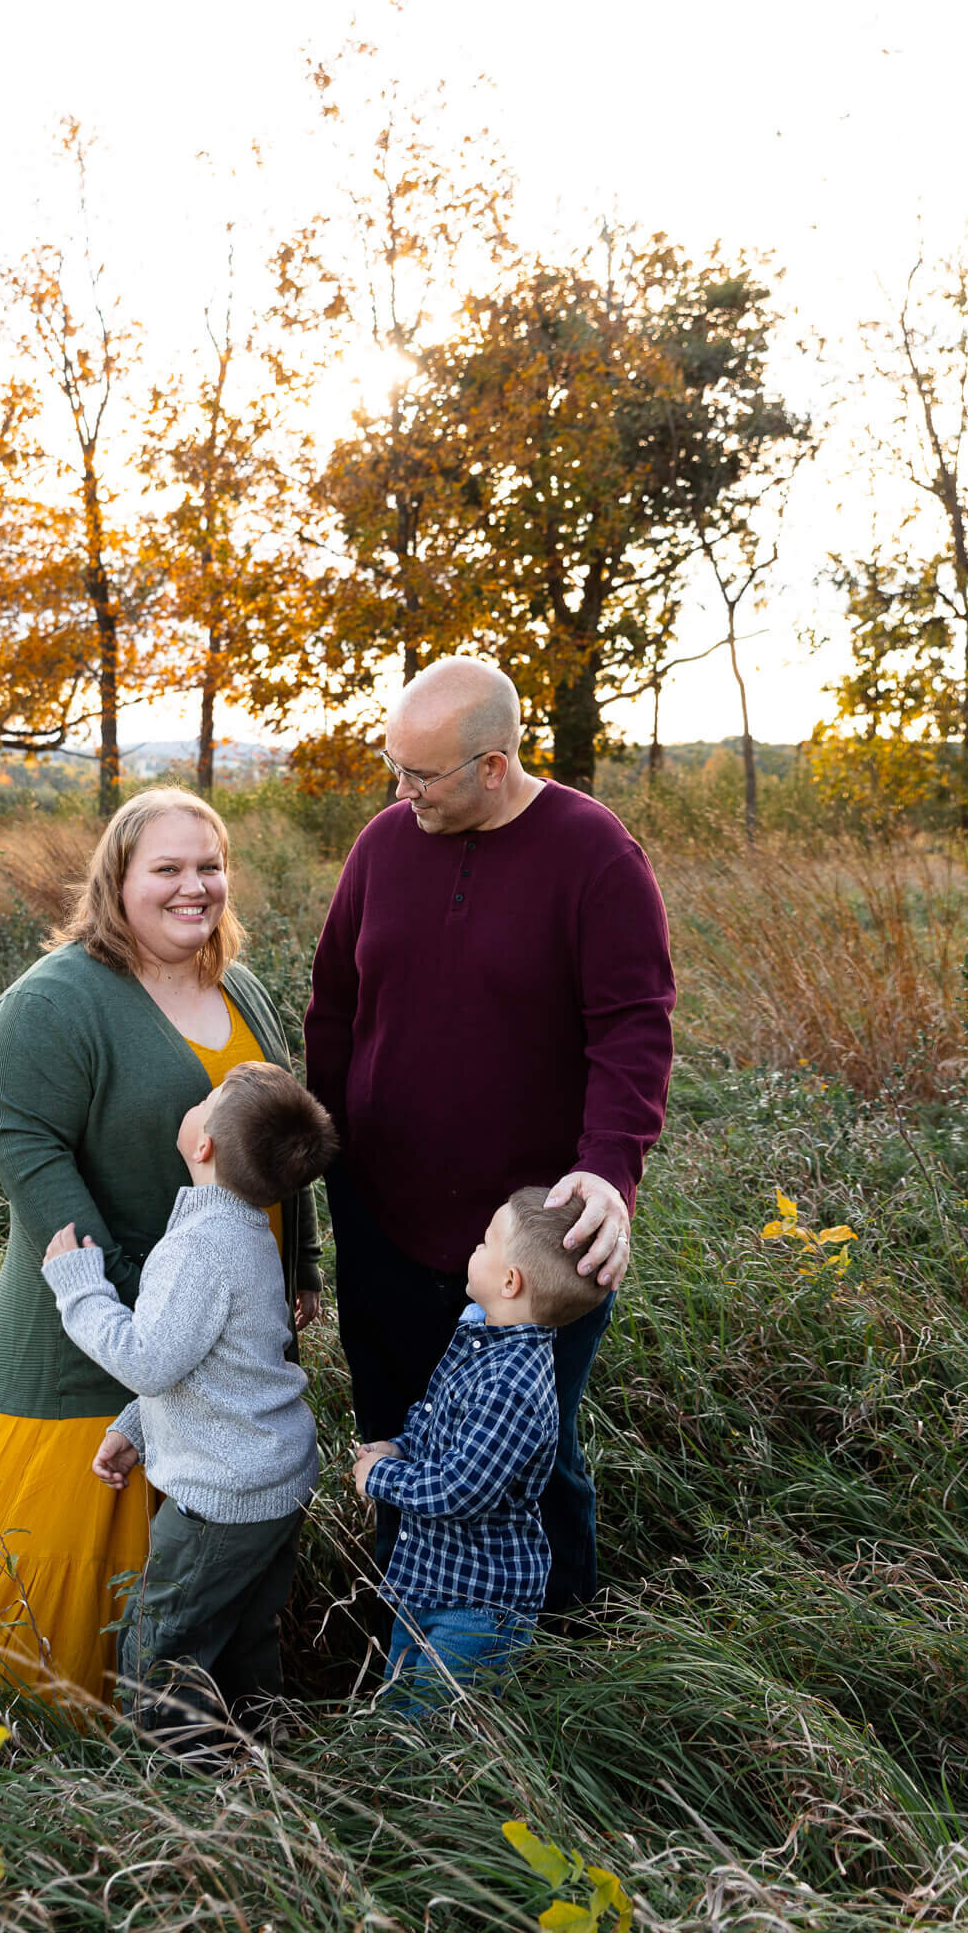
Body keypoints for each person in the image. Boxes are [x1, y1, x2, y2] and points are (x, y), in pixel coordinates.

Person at [0, 788, 324, 1708]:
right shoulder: (57, 999)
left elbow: (281, 1134)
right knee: (81, 1546)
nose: (196, 888)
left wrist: (299, 1260)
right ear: (119, 879)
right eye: (169, 869)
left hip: (237, 1298)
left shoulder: (242, 984)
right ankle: (78, 1708)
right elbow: (24, 1139)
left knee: (218, 1523)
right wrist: (108, 1280)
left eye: (210, 866)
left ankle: (232, 1712)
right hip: (102, 1303)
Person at [306, 657, 675, 1611]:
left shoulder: (595, 855)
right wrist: (324, 1152)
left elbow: (633, 1027)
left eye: (420, 775)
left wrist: (609, 1170)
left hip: (534, 1238)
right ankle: (416, 1642)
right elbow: (335, 1006)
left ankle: (558, 1654)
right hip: (383, 1216)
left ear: (495, 766)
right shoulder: (384, 845)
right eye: (394, 766)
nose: (401, 792)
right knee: (397, 1438)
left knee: (532, 1460)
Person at [42, 1059, 339, 1755]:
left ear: (201, 1144)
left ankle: (183, 1791)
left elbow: (150, 1358)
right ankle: (260, 1749)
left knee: (160, 1647)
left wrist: (79, 1288)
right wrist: (136, 1426)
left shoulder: (199, 1249)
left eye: (205, 1100)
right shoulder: (247, 1231)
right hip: (274, 1479)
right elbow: (222, 1366)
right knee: (244, 1635)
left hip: (219, 1504)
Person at [353, 1187, 605, 1702]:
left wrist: (379, 1477)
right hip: (429, 1580)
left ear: (510, 1281)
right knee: (403, 1704)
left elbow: (460, 1488)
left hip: (474, 1606)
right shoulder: (480, 1338)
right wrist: (400, 1448)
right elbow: (439, 1425)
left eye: (486, 1243)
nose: (474, 1249)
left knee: (442, 1728)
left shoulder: (511, 1387)